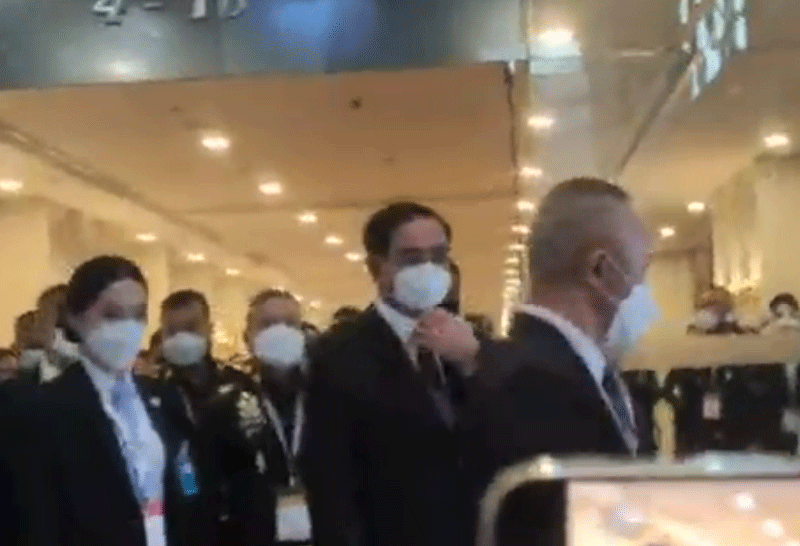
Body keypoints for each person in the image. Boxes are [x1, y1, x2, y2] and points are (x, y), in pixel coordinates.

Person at [462, 178, 660, 504]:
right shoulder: (530, 386)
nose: (645, 290)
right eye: (642, 271)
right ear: (600, 270)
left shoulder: (588, 374)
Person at [303, 202, 481, 546]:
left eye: (439, 256)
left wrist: (474, 364)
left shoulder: (466, 341)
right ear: (376, 268)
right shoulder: (339, 355)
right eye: (412, 259)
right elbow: (330, 482)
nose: (428, 269)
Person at [32, 256, 214, 546]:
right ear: (76, 318)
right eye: (112, 314)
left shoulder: (161, 396)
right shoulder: (46, 408)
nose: (127, 327)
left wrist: (192, 497)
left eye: (138, 315)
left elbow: (184, 468)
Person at [158, 288, 278, 546]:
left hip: (243, 520)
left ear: (209, 329)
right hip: (186, 524)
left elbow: (261, 447)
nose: (182, 337)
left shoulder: (238, 385)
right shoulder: (155, 395)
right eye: (173, 331)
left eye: (191, 327)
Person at [244, 289, 311, 546]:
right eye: (268, 324)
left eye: (290, 324)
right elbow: (197, 486)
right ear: (248, 337)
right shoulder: (224, 406)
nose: (280, 332)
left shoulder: (328, 400)